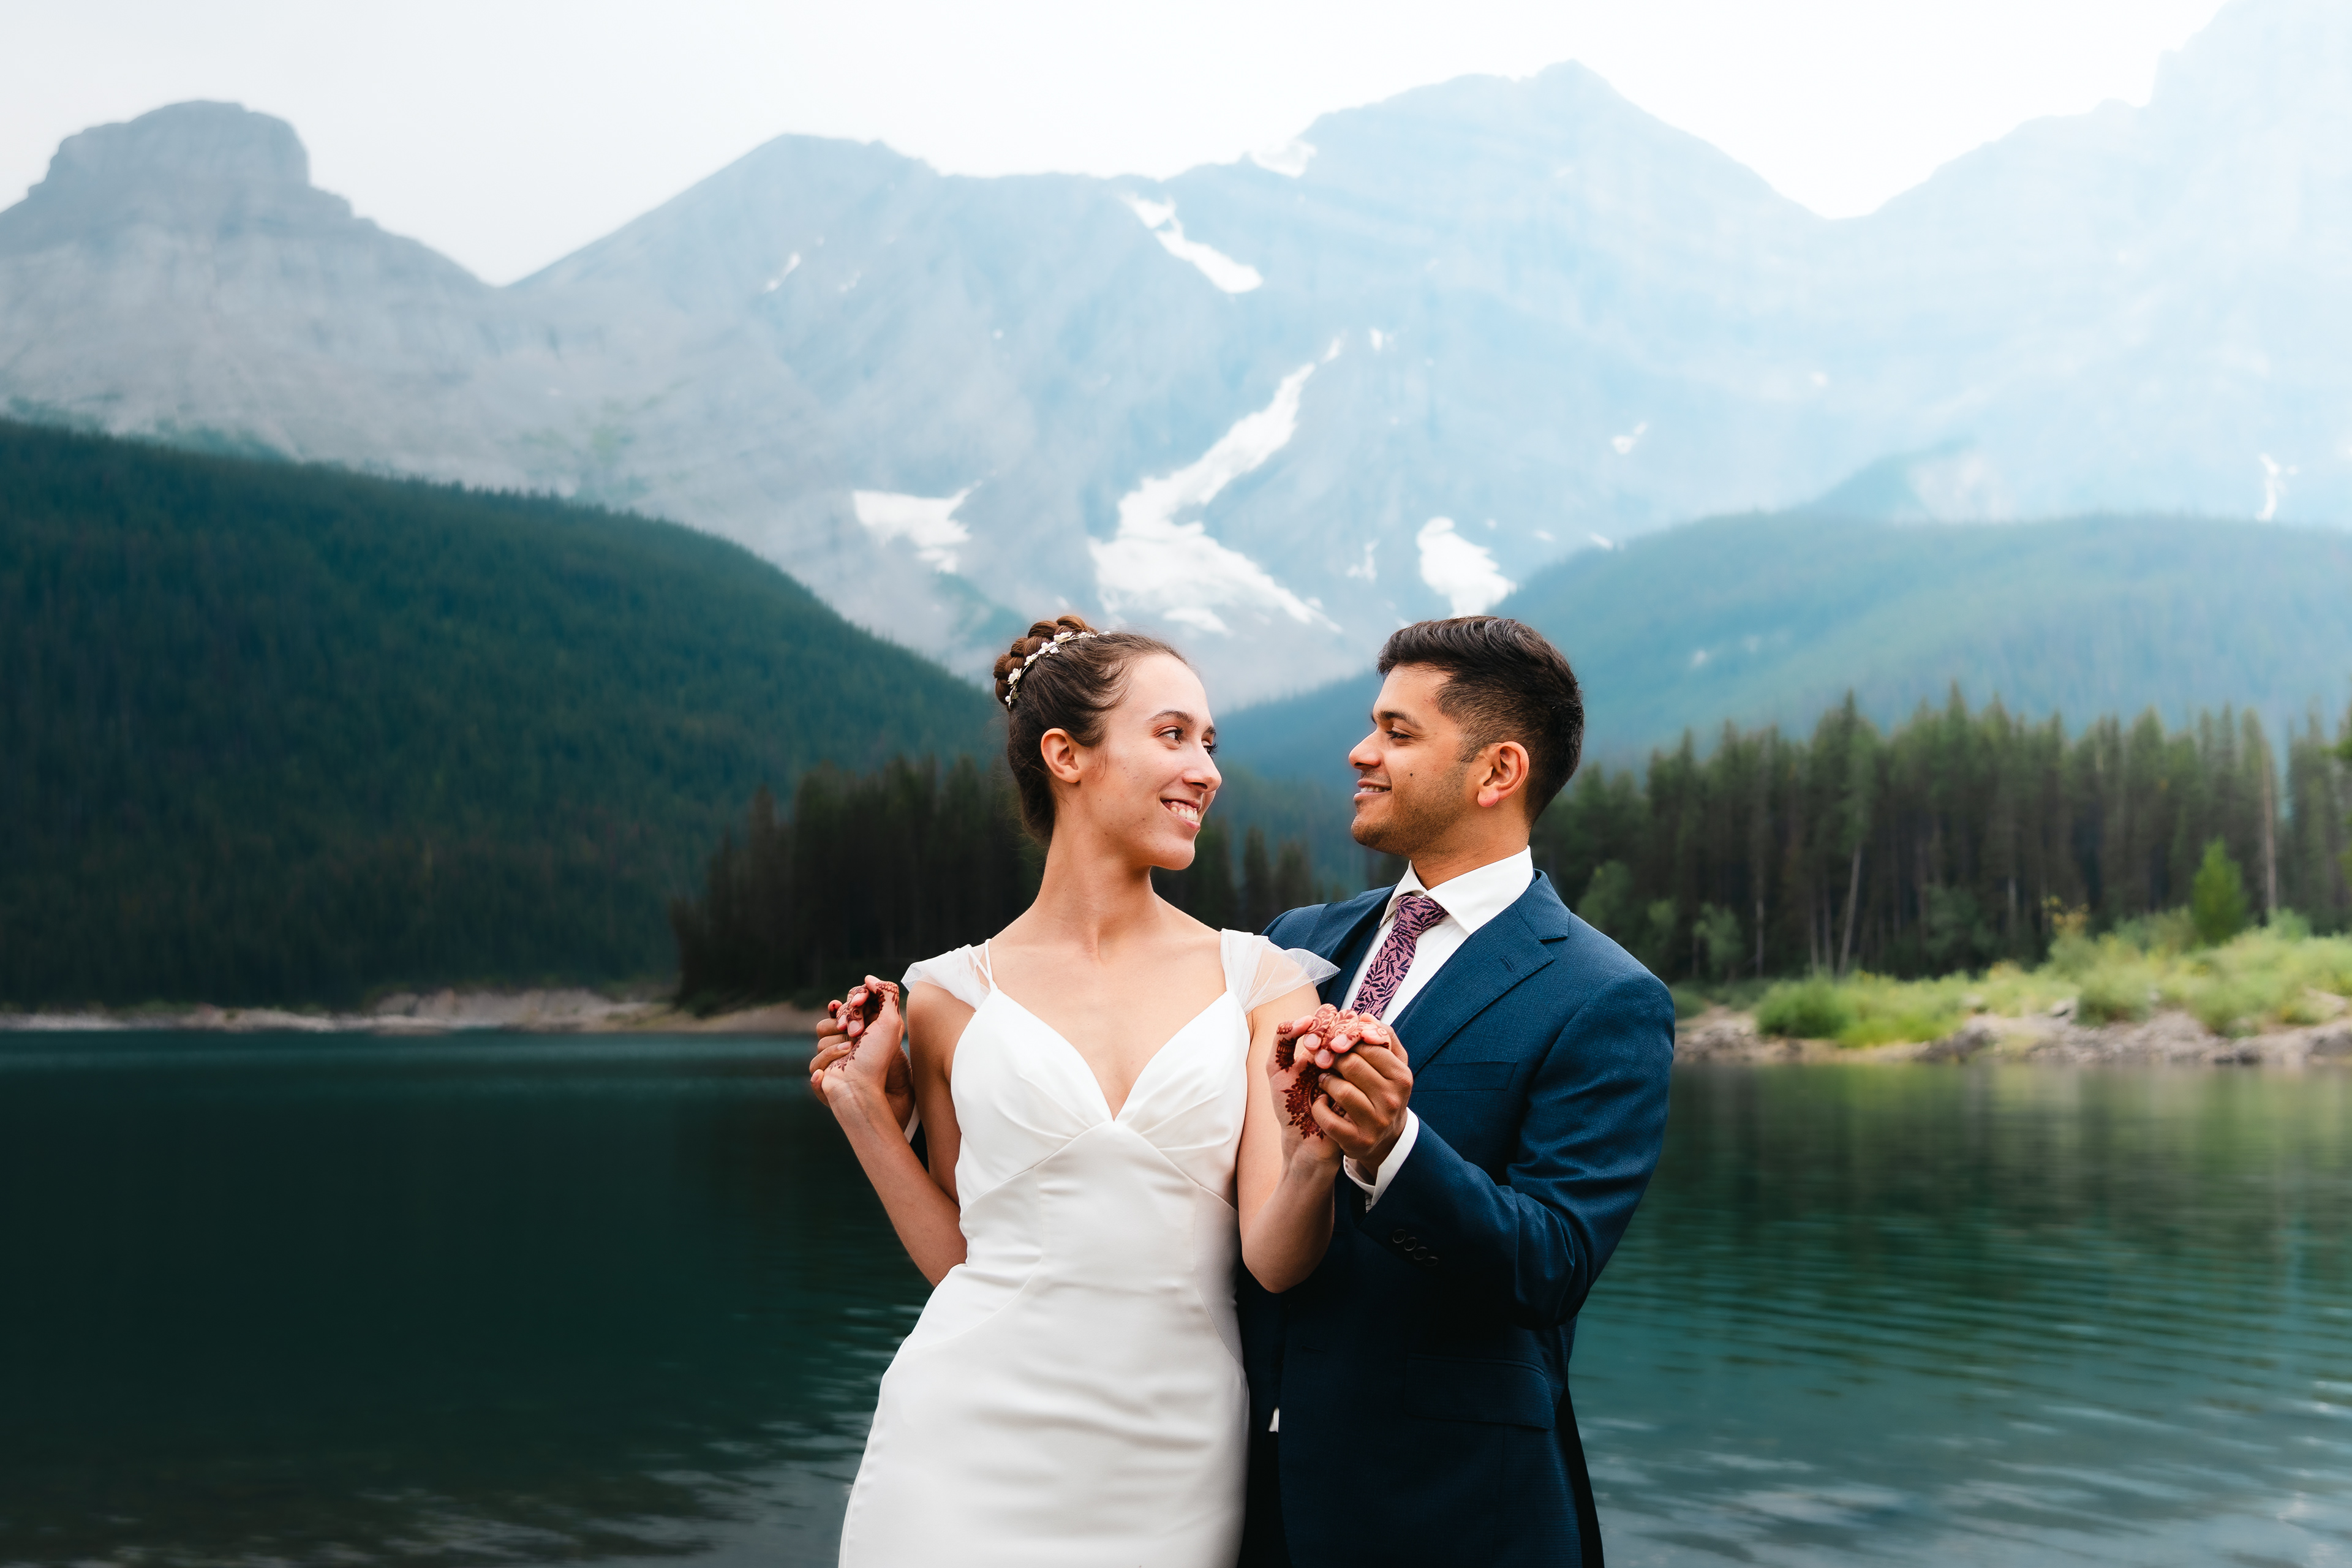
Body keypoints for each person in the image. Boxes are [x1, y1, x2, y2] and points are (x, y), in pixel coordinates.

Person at [804, 614, 1414, 1568]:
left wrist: (1312, 1156)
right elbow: (966, 1257)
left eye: (1210, 744)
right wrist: (862, 1113)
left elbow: (1276, 1261)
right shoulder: (947, 995)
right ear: (1066, 755)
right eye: (1173, 735)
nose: (1207, 771)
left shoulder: (1263, 984)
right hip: (959, 1441)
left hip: (1172, 1454)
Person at [1240, 616, 1676, 1568]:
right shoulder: (1294, 944)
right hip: (1240, 1493)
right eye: (1372, 725)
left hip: (1448, 1510)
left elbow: (1553, 1263)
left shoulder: (1605, 997)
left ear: (1497, 772)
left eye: (1400, 733)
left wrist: (1394, 1148)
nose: (1361, 752)